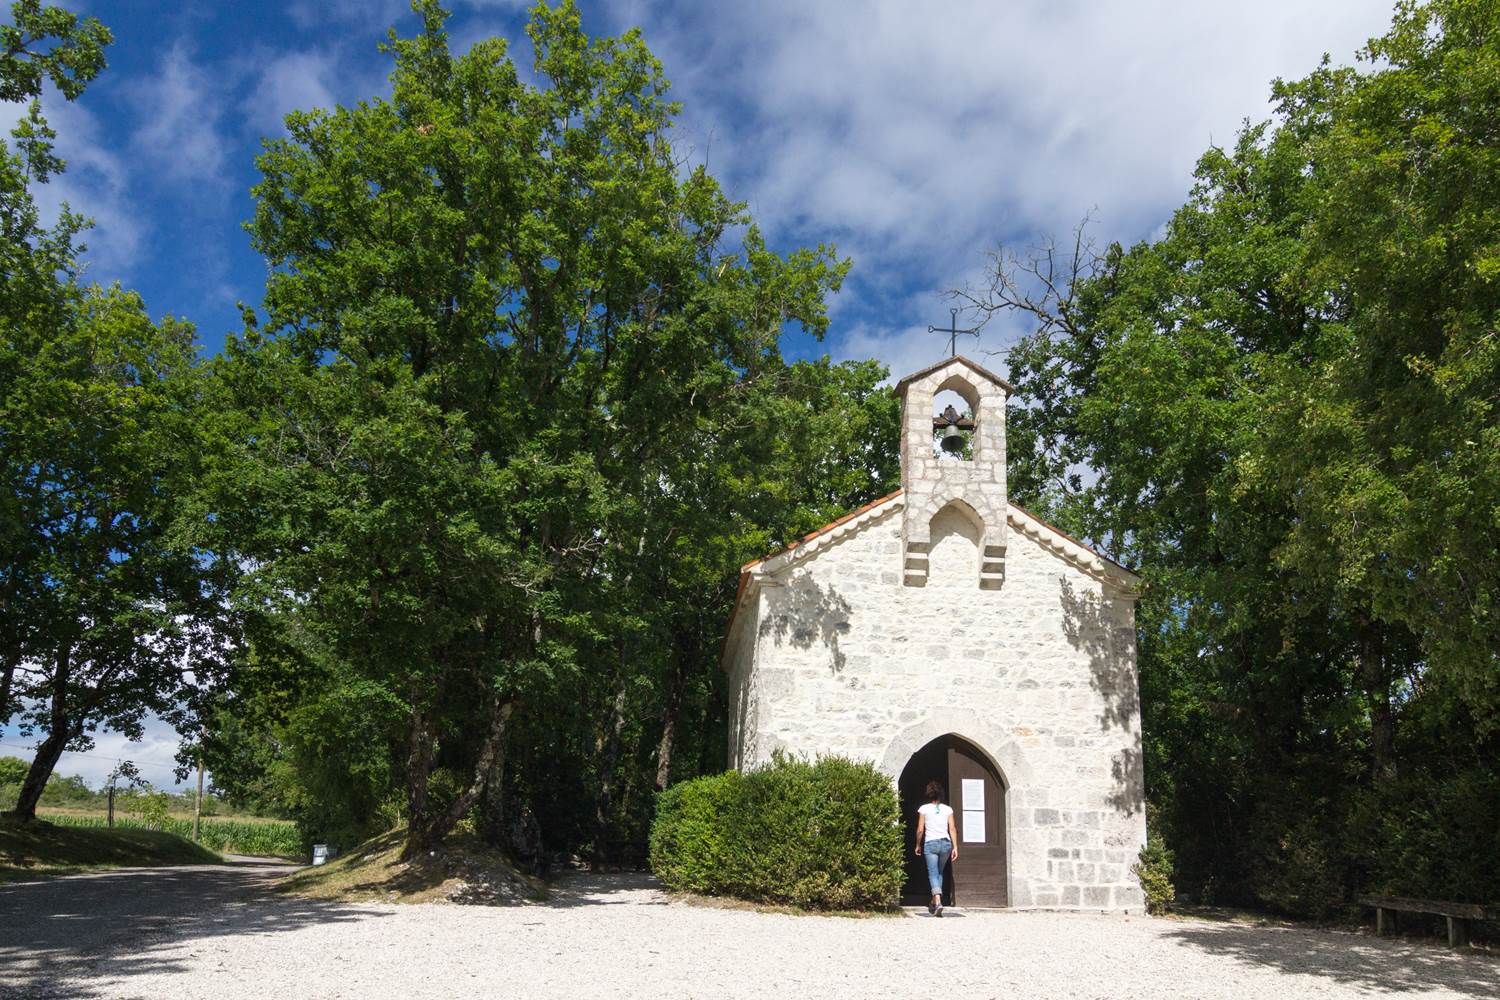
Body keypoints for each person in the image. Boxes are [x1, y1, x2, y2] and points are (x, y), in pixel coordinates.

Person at [914, 779, 958, 916]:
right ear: (941, 795)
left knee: (932, 873)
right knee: (939, 872)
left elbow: (920, 829)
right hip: (945, 844)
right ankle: (934, 902)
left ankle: (938, 901)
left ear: (929, 794)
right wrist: (955, 847)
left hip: (931, 844)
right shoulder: (948, 809)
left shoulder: (924, 809)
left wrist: (917, 844)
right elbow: (952, 828)